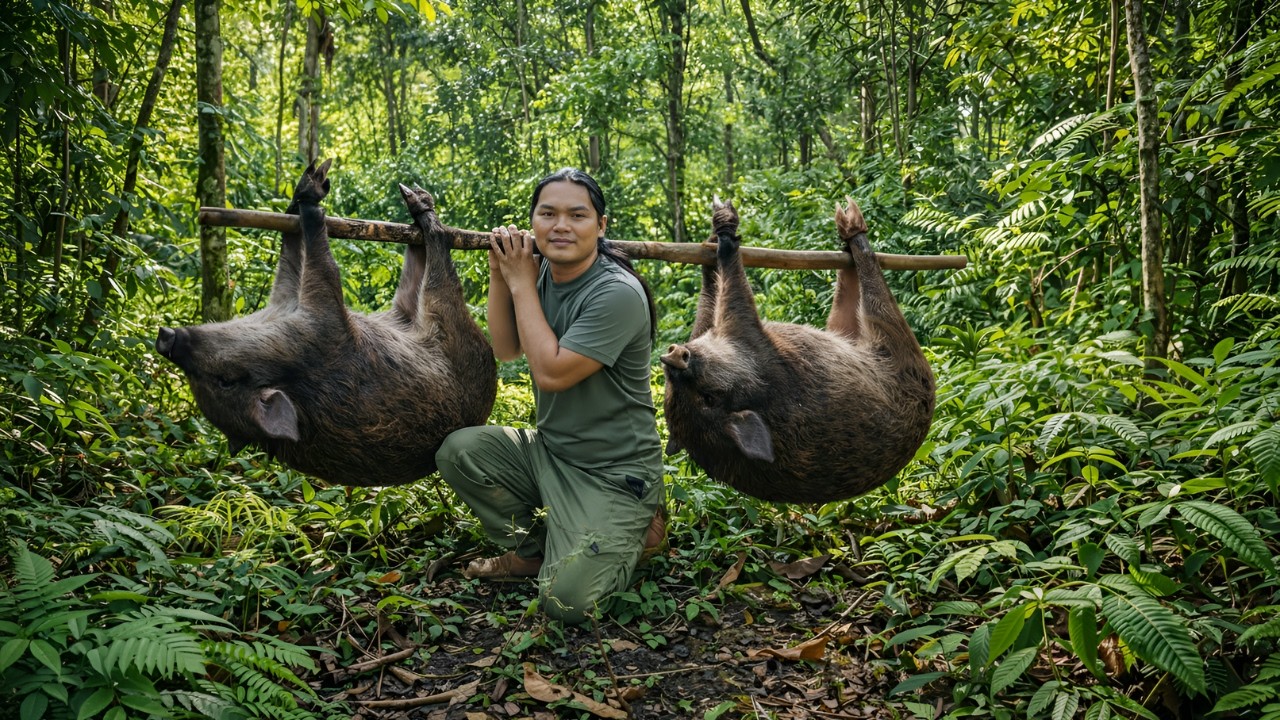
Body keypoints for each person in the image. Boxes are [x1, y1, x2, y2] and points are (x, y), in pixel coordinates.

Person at [436, 168, 666, 625]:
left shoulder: (616, 293)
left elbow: (552, 373)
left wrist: (521, 281)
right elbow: (505, 349)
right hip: (552, 453)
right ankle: (531, 552)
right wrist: (502, 276)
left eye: (577, 215)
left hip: (614, 475)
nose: (561, 225)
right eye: (548, 214)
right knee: (460, 452)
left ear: (601, 226)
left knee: (567, 603)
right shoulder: (539, 275)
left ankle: (640, 527)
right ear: (532, 223)